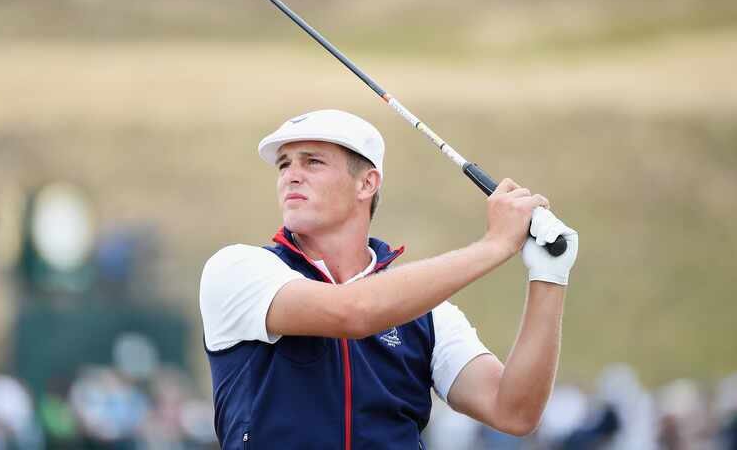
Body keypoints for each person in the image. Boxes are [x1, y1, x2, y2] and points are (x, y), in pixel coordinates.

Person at [199, 109, 579, 449]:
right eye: (284, 165)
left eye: (312, 162)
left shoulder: (428, 313)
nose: (291, 176)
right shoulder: (237, 270)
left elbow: (514, 411)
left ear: (367, 183)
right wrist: (494, 245)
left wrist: (549, 275)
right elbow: (354, 312)